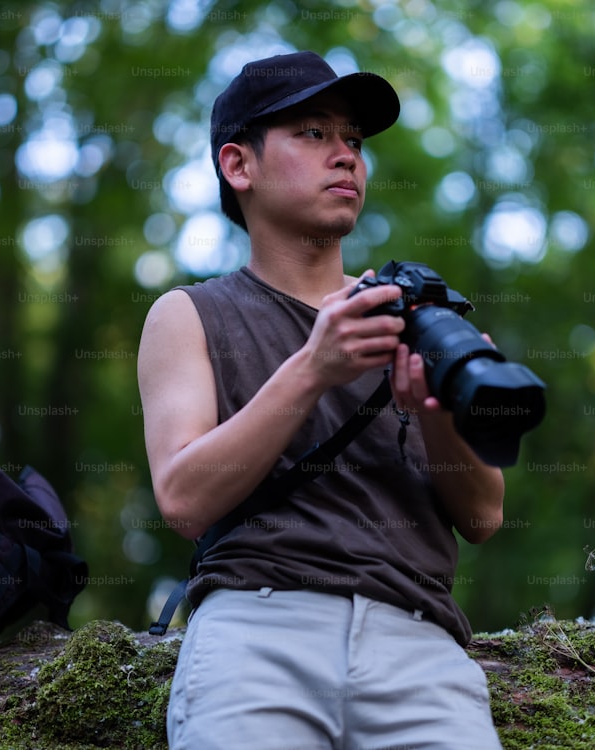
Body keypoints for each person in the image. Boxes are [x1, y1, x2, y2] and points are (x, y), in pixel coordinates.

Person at [138, 50, 506, 750]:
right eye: (313, 133)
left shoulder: (416, 320)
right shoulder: (190, 315)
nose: (346, 156)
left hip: (420, 642)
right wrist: (312, 369)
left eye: (355, 141)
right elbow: (182, 499)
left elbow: (485, 514)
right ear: (238, 165)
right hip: (255, 632)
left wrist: (435, 417)